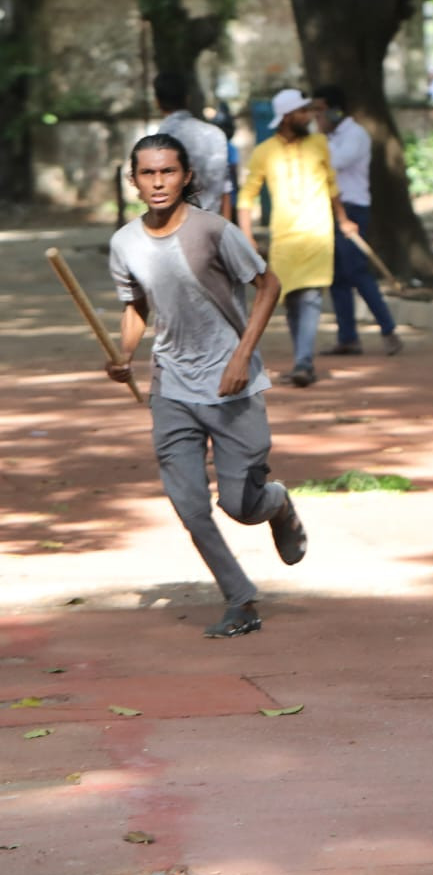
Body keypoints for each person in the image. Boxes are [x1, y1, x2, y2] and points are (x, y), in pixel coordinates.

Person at [107, 133, 309, 638]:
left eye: (167, 172)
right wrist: (125, 353)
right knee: (189, 504)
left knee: (240, 505)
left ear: (186, 176)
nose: (157, 182)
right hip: (171, 387)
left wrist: (243, 355)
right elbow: (136, 305)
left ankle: (277, 502)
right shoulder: (125, 242)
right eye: (147, 173)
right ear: (133, 180)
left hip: (230, 386)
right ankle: (240, 599)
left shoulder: (214, 231)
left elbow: (269, 285)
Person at [236, 88, 359, 387]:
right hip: (284, 238)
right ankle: (301, 358)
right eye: (303, 111)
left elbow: (332, 186)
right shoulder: (265, 151)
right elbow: (247, 195)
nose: (309, 116)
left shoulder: (319, 144)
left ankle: (304, 362)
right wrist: (245, 234)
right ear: (288, 116)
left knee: (312, 297)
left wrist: (343, 220)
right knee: (289, 299)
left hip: (318, 233)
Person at [310, 85, 402, 358]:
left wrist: (319, 140)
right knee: (337, 276)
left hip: (353, 208)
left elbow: (332, 162)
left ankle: (388, 329)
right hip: (328, 207)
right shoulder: (323, 136)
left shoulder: (355, 135)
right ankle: (347, 337)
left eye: (320, 110)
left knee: (357, 271)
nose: (316, 116)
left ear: (335, 111)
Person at [153, 72, 231, 217]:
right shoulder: (215, 134)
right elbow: (225, 190)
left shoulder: (159, 140)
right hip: (214, 227)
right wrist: (226, 230)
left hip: (177, 229)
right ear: (187, 99)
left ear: (156, 101)